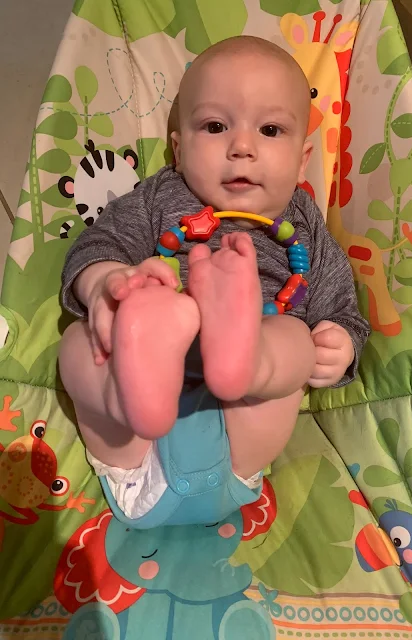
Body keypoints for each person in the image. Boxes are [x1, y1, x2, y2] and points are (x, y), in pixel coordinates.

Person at [59, 35, 370, 527]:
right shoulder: (160, 198)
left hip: (240, 435)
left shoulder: (304, 222)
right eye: (215, 126)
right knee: (81, 345)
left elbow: (341, 306)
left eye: (269, 129)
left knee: (293, 339)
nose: (242, 147)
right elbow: (98, 246)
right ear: (179, 150)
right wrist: (105, 285)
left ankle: (247, 362)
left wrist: (342, 344)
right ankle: (125, 391)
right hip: (134, 445)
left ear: (302, 156)